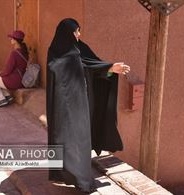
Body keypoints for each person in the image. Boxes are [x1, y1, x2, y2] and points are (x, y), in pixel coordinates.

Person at [47, 18, 130, 193]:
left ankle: (81, 179)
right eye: (76, 31)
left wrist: (110, 69)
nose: (79, 34)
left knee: (81, 141)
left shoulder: (80, 48)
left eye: (79, 30)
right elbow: (60, 77)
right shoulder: (56, 52)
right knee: (67, 141)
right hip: (64, 107)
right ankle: (77, 179)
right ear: (66, 33)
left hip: (83, 104)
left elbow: (93, 66)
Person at [0, 30, 29, 108]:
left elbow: (8, 70)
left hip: (14, 81)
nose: (11, 40)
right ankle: (7, 97)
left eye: (12, 38)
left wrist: (1, 74)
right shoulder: (25, 52)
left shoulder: (14, 53)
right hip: (21, 81)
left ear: (16, 41)